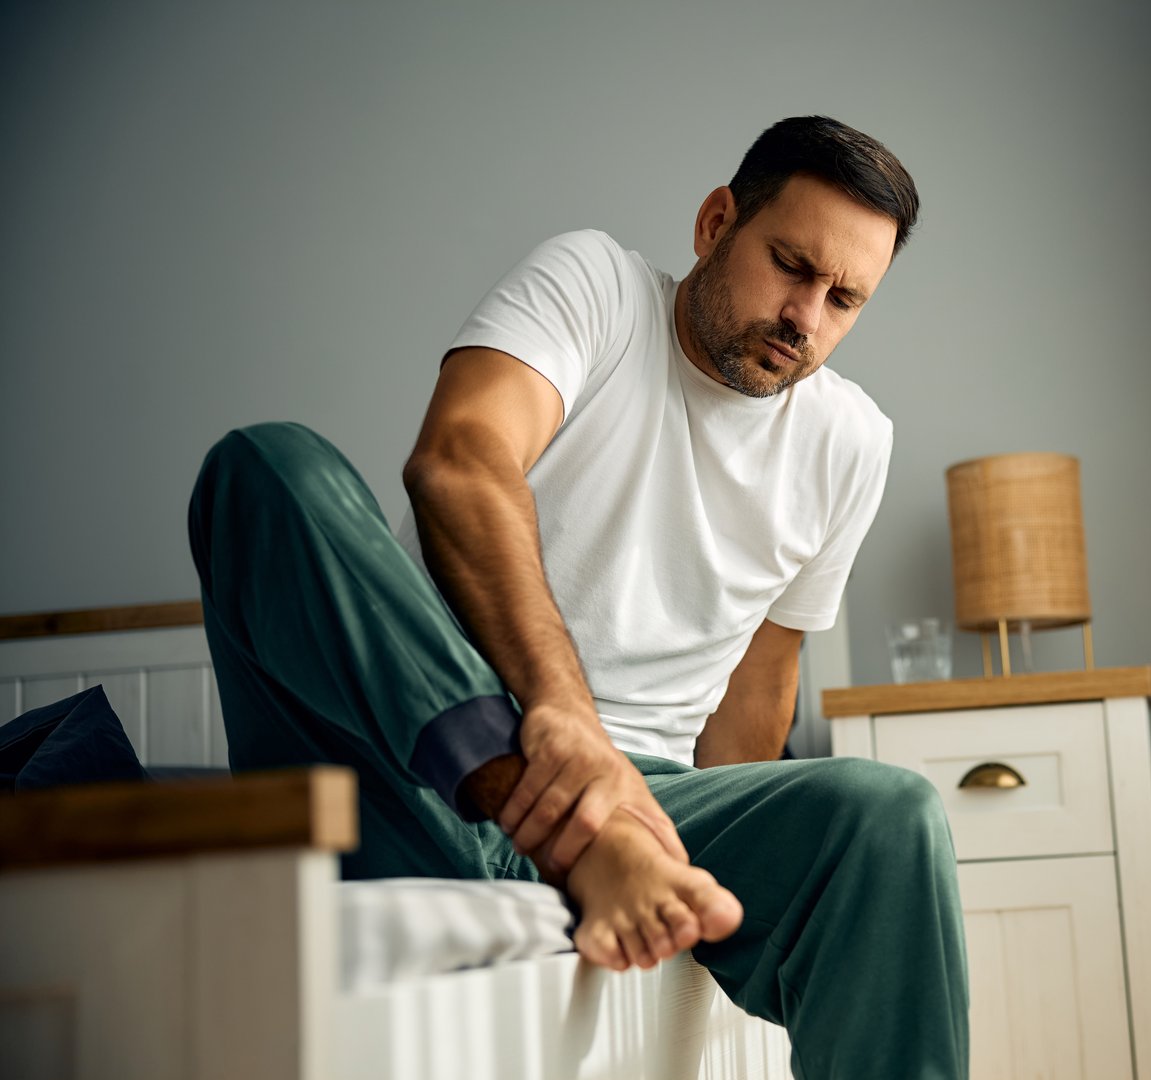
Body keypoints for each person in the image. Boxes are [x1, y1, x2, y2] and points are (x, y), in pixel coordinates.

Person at [187, 115, 968, 1078]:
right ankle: (581, 839)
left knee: (889, 812)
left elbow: (760, 696)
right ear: (716, 220)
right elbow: (460, 463)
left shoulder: (852, 442)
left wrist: (694, 850)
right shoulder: (597, 286)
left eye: (843, 298)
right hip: (414, 768)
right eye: (790, 265)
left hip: (655, 808)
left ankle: (600, 841)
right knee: (267, 467)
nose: (806, 317)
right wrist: (566, 727)